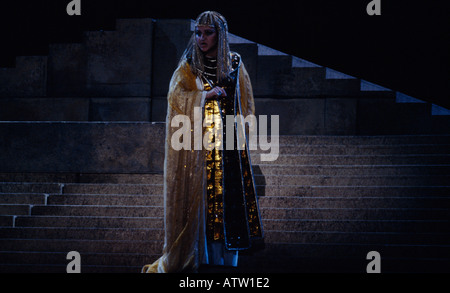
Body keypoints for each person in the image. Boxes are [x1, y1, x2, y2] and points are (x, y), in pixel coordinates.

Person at [142, 11, 263, 273]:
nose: (201, 38)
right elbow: (175, 98)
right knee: (205, 205)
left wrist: (242, 134)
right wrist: (204, 95)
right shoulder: (189, 65)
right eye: (198, 33)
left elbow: (247, 104)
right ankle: (202, 258)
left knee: (229, 204)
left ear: (220, 35)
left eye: (208, 33)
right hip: (200, 151)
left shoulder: (234, 63)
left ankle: (227, 263)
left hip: (229, 147)